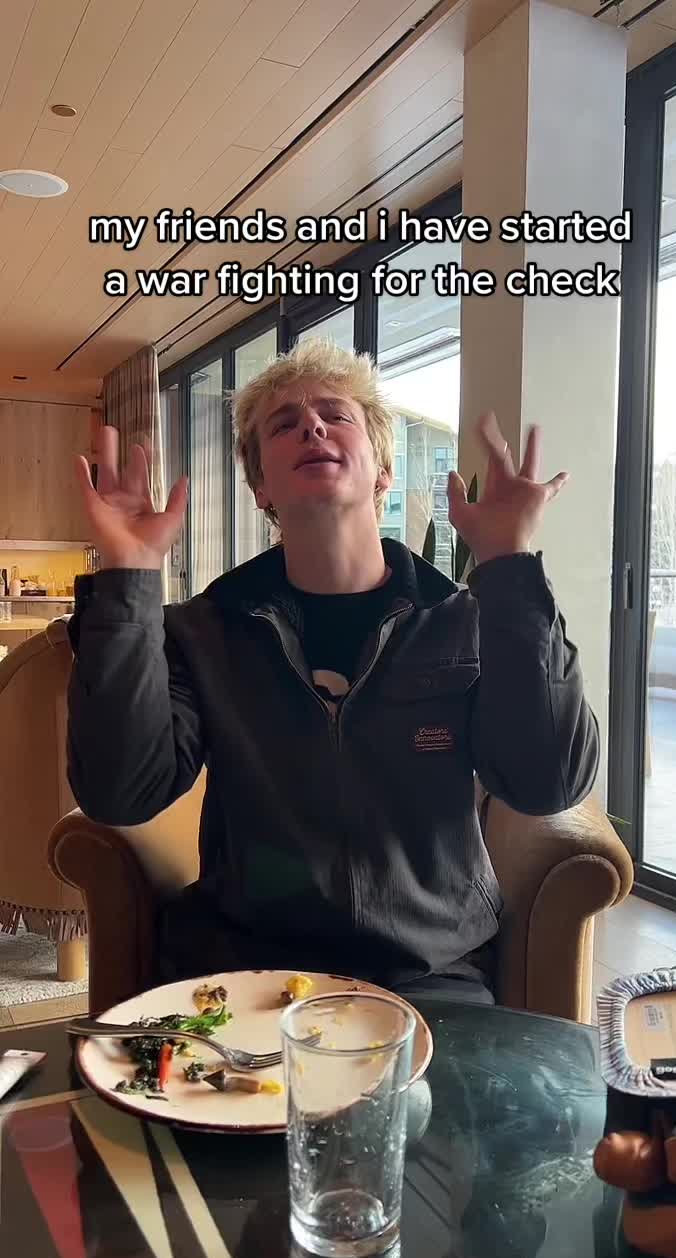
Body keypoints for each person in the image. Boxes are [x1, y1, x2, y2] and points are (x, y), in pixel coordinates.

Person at [66, 339, 599, 1001]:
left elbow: (548, 783)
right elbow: (121, 793)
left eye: (335, 415)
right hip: (243, 968)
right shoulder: (204, 633)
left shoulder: (464, 621)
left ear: (383, 471)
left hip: (426, 973)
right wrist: (127, 575)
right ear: (260, 486)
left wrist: (509, 564)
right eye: (283, 424)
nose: (311, 427)